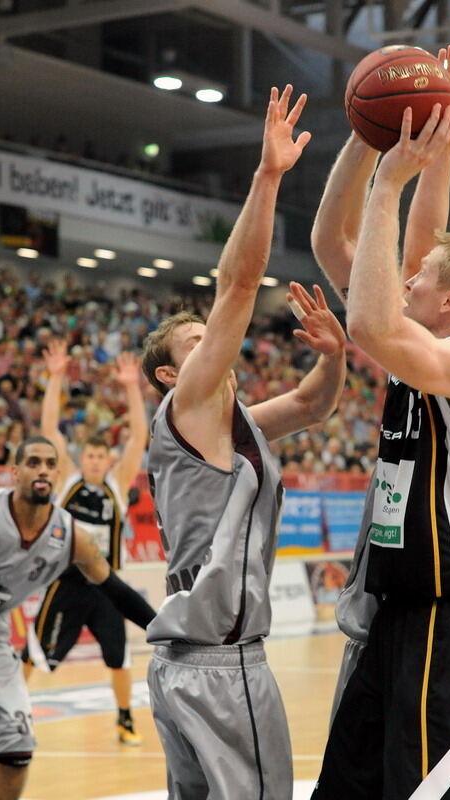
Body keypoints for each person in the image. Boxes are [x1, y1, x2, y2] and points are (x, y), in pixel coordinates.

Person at [311, 54, 450, 797]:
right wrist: (379, 139)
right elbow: (331, 241)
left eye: (418, 277)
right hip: (398, 617)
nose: (405, 276)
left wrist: (395, 179)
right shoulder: (426, 346)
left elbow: (369, 318)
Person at [142, 85, 347, 800]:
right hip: (220, 666)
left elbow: (314, 406)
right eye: (196, 345)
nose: (213, 348)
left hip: (185, 664)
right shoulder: (189, 404)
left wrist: (334, 354)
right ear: (172, 373)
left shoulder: (234, 424)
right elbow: (234, 287)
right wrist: (267, 177)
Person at [0, 436, 155, 800]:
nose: (43, 469)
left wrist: (163, 628)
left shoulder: (69, 536)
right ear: (16, 472)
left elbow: (115, 588)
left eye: (50, 464)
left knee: (17, 750)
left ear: (57, 473)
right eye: (33, 462)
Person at [20, 346, 149, 745]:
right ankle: (14, 710)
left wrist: (131, 388)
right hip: (67, 585)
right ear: (81, 458)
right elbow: (48, 427)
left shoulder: (117, 484)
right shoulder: (66, 481)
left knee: (119, 659)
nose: (94, 461)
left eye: (100, 455)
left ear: (108, 459)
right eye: (88, 455)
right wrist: (56, 377)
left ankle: (125, 721)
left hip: (108, 588)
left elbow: (139, 436)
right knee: (35, 654)